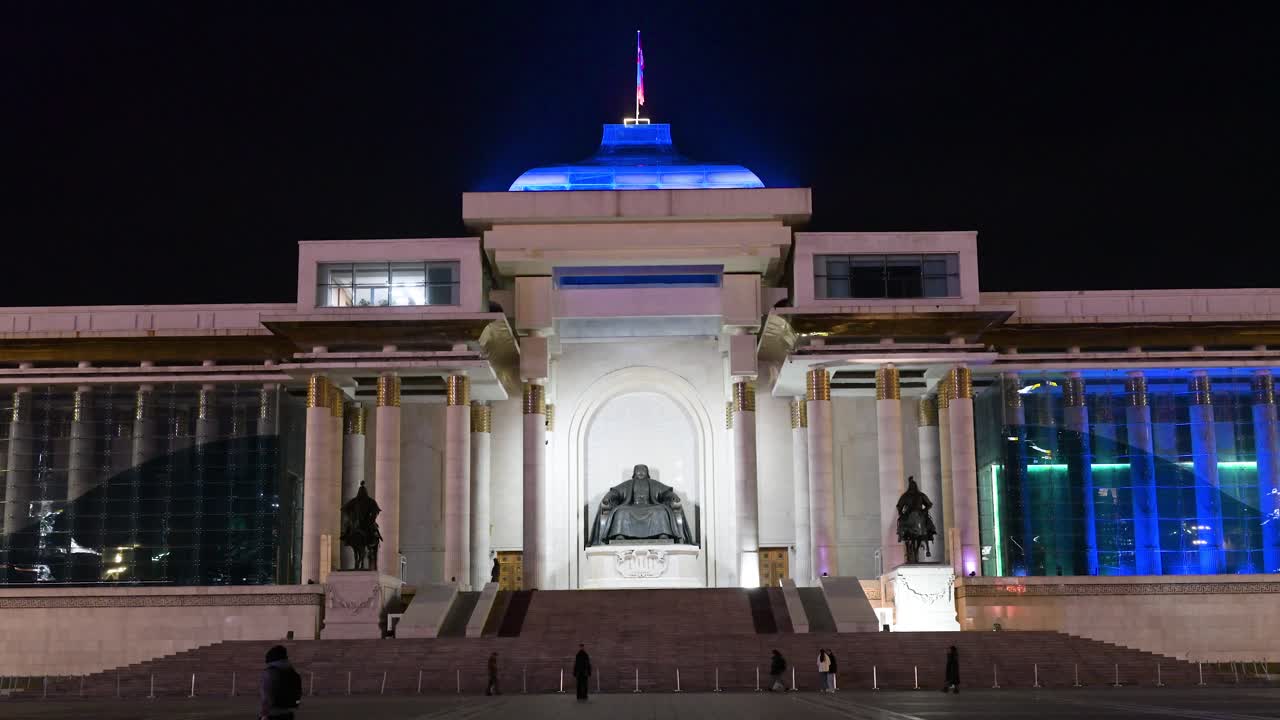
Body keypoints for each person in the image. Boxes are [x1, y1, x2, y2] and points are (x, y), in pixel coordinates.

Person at [259, 645, 301, 720]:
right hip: (288, 713)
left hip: (272, 713)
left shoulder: (270, 673)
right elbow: (298, 692)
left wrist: (264, 714)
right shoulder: (292, 672)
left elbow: (267, 695)